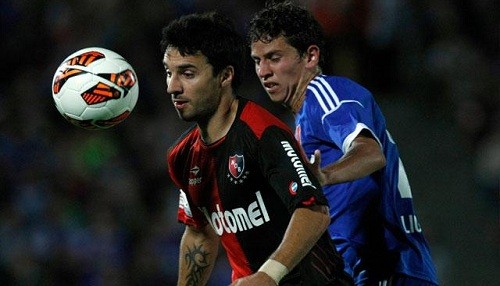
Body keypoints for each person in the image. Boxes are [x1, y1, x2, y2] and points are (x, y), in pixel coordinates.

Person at [248, 2, 439, 286]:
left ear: (310, 56)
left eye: (274, 57)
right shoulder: (301, 122)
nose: (263, 71)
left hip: (392, 271)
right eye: (256, 60)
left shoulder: (326, 94)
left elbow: (370, 153)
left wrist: (325, 175)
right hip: (363, 275)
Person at [161, 11, 352, 286]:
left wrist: (268, 275)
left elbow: (314, 212)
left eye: (187, 73)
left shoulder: (263, 133)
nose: (172, 87)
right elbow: (200, 233)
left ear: (225, 75)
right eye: (169, 73)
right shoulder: (182, 156)